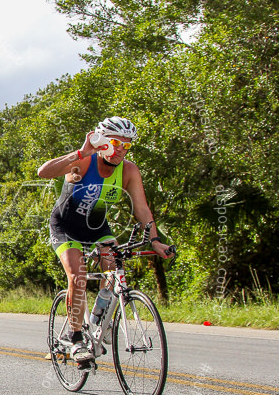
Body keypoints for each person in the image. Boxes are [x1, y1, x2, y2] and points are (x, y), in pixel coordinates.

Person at [37, 116, 175, 364]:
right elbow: (43, 172)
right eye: (114, 142)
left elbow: (142, 210)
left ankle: (101, 320)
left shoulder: (129, 171)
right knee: (77, 276)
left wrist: (155, 241)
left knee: (113, 268)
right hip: (65, 227)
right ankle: (76, 337)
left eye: (127, 145)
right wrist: (80, 151)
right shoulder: (83, 161)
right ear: (101, 141)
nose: (120, 149)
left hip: (97, 228)